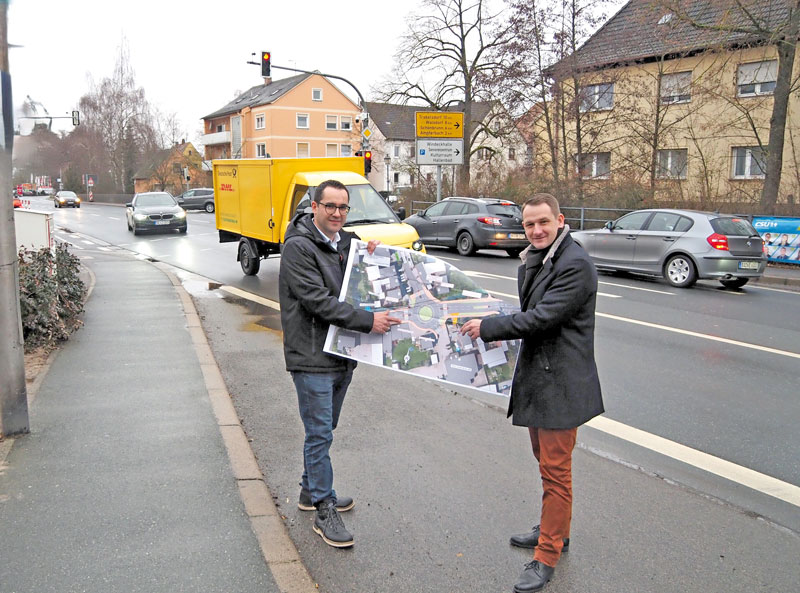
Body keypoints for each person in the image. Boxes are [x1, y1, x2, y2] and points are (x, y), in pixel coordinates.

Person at [461, 193, 604, 593]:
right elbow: (531, 312)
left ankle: (547, 555)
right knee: (546, 463)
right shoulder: (537, 259)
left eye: (543, 222)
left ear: (560, 219)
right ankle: (556, 529)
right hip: (541, 379)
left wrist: (488, 327)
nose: (537, 230)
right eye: (529, 224)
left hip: (561, 383)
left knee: (556, 471)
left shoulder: (575, 263)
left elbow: (543, 317)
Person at [279, 179, 400, 548]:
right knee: (319, 433)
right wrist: (368, 321)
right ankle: (323, 507)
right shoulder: (298, 247)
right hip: (311, 355)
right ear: (314, 206)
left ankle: (309, 490)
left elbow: (362, 277)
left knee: (325, 427)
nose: (336, 213)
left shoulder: (346, 242)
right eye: (329, 206)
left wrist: (372, 254)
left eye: (343, 207)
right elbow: (318, 301)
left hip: (342, 354)